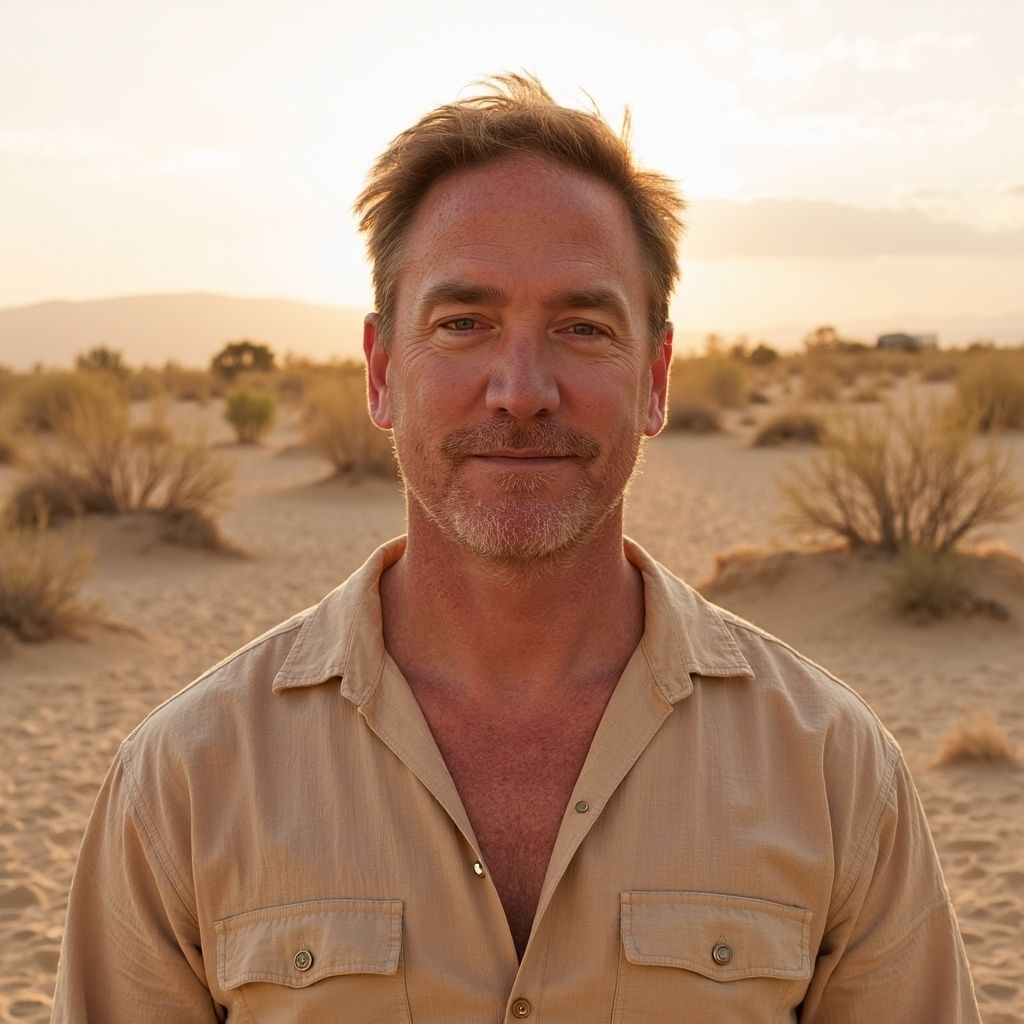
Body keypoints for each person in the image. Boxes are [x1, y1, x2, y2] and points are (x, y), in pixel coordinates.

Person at [53, 74, 981, 1022]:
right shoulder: (188, 779)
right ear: (381, 373)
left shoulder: (829, 768)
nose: (521, 390)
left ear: (656, 380)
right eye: (464, 325)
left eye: (584, 327)